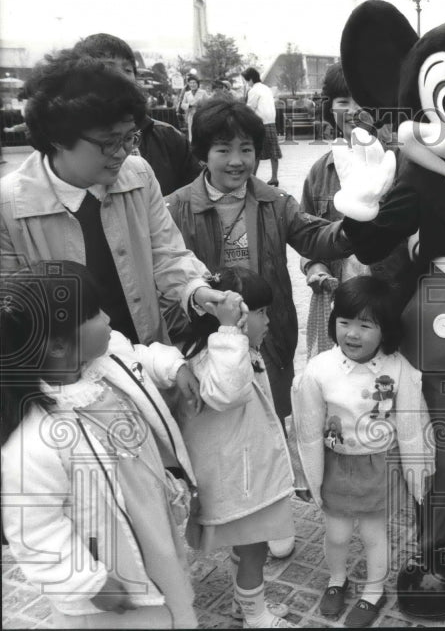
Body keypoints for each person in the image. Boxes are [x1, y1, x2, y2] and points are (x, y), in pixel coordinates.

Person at [0, 261, 201, 628]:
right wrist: (87, 582)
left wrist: (175, 366)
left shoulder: (106, 362)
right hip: (109, 569)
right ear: (58, 345)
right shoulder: (34, 443)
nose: (108, 318)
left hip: (150, 523)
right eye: (94, 313)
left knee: (170, 591)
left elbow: (140, 356)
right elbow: (36, 529)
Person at [0, 51, 225, 346]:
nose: (123, 152)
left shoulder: (139, 175)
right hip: (69, 367)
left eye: (129, 137)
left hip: (149, 353)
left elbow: (166, 252)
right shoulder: (10, 206)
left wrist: (197, 290)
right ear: (57, 138)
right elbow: (12, 312)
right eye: (109, 142)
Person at [164, 97, 349, 426]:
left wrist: (358, 226)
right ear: (203, 153)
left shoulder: (275, 203)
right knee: (217, 428)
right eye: (223, 150)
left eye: (246, 149)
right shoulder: (175, 209)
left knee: (271, 423)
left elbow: (316, 237)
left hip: (268, 336)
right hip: (205, 345)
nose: (237, 161)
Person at [292, 276, 434, 627]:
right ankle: (336, 579)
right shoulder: (319, 369)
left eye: (365, 325)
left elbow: (412, 424)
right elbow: (306, 427)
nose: (352, 334)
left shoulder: (398, 368)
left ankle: (374, 590)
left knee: (374, 535)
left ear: (385, 330)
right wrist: (304, 474)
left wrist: (419, 470)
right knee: (337, 534)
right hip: (336, 466)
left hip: (379, 466)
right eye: (344, 322)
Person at [177, 268, 298, 629]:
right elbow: (228, 392)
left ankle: (242, 603)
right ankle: (256, 616)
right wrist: (230, 332)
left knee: (246, 547)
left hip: (245, 478)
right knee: (253, 549)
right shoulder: (215, 359)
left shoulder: (233, 351)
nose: (268, 320)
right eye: (260, 312)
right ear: (233, 317)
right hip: (242, 484)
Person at [298, 63, 414, 357]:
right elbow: (306, 233)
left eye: (362, 100)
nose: (353, 110)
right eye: (342, 101)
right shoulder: (320, 172)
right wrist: (315, 267)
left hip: (395, 302)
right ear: (330, 108)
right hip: (343, 307)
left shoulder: (402, 163)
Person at [71, 33, 201, 196]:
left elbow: (197, 191)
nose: (121, 77)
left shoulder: (167, 137)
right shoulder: (69, 142)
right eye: (108, 68)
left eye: (127, 69)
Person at [241, 67, 281, 186]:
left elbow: (250, 108)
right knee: (274, 152)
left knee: (256, 152)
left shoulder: (253, 90)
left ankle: (252, 177)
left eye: (246, 80)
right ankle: (274, 178)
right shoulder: (267, 88)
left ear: (250, 79)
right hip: (271, 123)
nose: (247, 83)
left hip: (259, 124)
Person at [178, 76, 209, 141]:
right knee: (191, 132)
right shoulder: (187, 93)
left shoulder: (203, 92)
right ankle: (191, 145)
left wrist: (201, 105)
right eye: (191, 83)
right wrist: (189, 105)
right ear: (189, 84)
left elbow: (208, 103)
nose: (192, 84)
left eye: (194, 83)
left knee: (201, 132)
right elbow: (182, 105)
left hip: (201, 116)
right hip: (191, 116)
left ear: (197, 84)